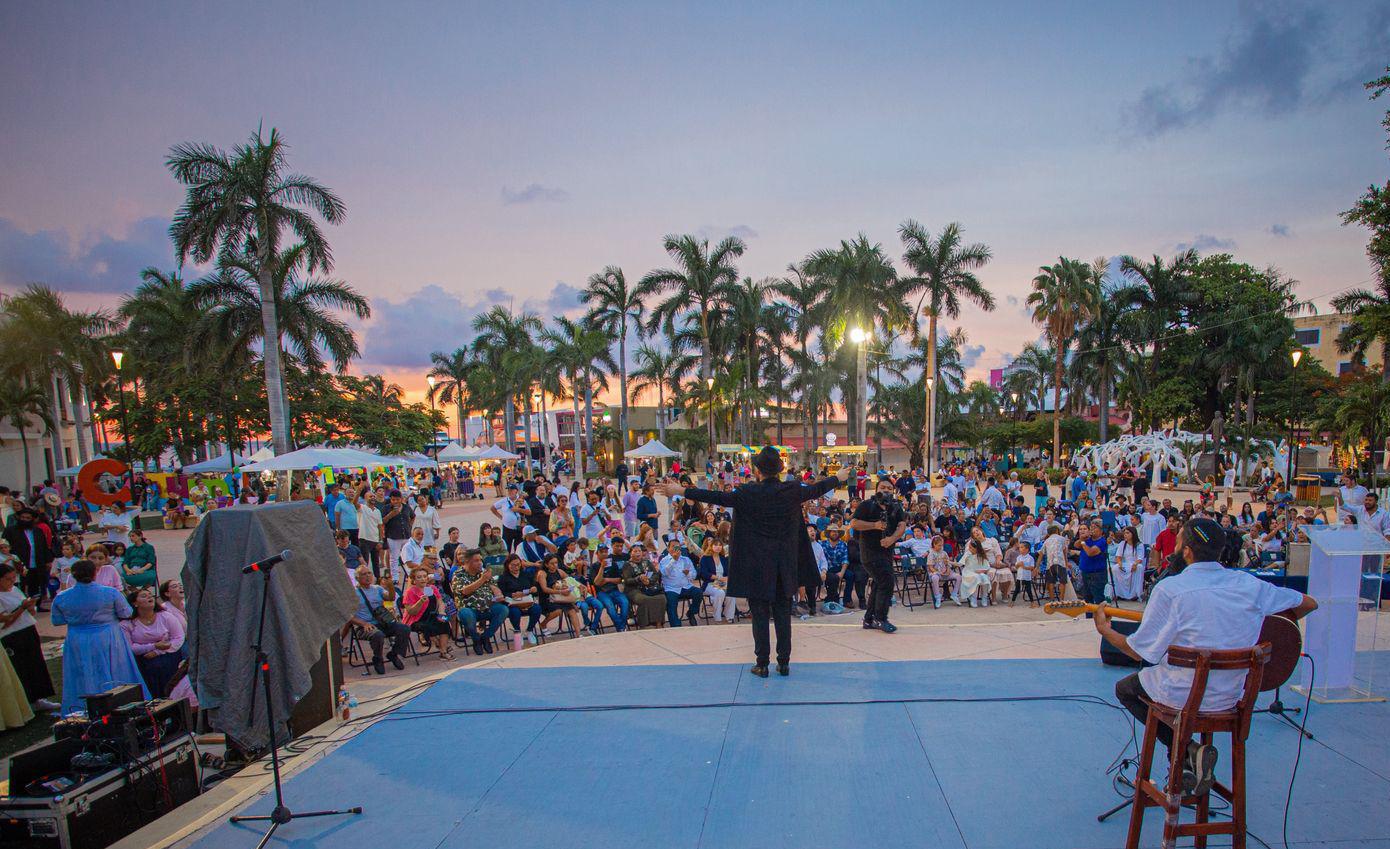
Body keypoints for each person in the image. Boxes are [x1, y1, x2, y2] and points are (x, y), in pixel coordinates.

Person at [1095, 517, 1318, 797]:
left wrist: (1105, 629)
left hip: (1182, 697)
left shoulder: (1170, 590)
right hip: (1232, 696)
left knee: (1125, 689)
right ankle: (1190, 762)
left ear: (1186, 551)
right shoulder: (1249, 585)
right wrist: (1265, 629)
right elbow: (1309, 603)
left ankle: (1186, 751)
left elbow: (1138, 651)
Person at [660, 446, 848, 677]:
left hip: (756, 566)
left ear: (757, 470)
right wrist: (837, 478)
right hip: (784, 566)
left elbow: (715, 497)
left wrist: (680, 490)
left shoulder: (747, 493)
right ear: (779, 470)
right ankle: (784, 662)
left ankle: (762, 663)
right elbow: (816, 489)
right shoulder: (791, 490)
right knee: (782, 614)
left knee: (759, 615)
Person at [51, 558, 149, 714]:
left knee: (82, 671)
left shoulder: (62, 597)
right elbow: (126, 613)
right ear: (95, 573)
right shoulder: (110, 592)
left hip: (78, 637)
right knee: (116, 669)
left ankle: (83, 707)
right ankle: (121, 703)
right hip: (107, 635)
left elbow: (57, 620)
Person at [850, 478, 908, 633]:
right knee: (887, 582)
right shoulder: (867, 505)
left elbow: (902, 525)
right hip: (870, 552)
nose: (886, 490)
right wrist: (874, 525)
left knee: (878, 583)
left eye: (890, 488)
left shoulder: (895, 506)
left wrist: (892, 538)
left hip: (886, 552)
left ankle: (869, 619)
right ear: (876, 490)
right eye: (883, 487)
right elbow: (854, 523)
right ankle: (880, 618)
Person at [0, 561, 58, 711]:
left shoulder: (14, 590)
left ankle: (40, 697)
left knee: (35, 664)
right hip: (10, 635)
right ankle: (27, 700)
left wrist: (30, 606)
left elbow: (28, 610)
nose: (12, 581)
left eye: (13, 578)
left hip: (27, 629)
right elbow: (6, 620)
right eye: (8, 578)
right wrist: (22, 608)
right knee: (21, 667)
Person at [122, 587, 186, 697]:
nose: (149, 597)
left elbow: (179, 638)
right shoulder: (127, 624)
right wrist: (155, 645)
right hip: (143, 660)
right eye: (144, 596)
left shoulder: (166, 616)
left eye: (150, 595)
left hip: (168, 656)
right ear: (135, 603)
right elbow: (131, 648)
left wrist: (157, 652)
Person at [349, 565, 412, 674]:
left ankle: (394, 654)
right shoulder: (353, 593)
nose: (368, 576)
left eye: (369, 573)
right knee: (378, 635)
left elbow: (391, 598)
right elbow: (348, 615)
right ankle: (378, 658)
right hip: (364, 626)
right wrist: (363, 623)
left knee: (404, 628)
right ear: (357, 578)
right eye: (364, 574)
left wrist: (390, 585)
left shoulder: (377, 588)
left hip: (383, 622)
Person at [451, 550, 509, 654]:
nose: (480, 563)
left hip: (487, 607)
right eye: (476, 561)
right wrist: (482, 579)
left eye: (480, 560)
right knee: (466, 613)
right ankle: (476, 639)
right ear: (467, 562)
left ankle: (485, 637)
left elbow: (494, 587)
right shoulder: (458, 574)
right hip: (469, 609)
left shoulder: (483, 573)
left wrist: (498, 594)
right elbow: (465, 591)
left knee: (503, 609)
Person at [401, 567, 454, 661]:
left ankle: (443, 649)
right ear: (414, 580)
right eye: (419, 577)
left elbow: (440, 601)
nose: (423, 579)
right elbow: (411, 611)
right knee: (429, 627)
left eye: (424, 576)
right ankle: (443, 650)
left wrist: (441, 613)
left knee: (445, 621)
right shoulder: (410, 592)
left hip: (432, 615)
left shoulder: (431, 588)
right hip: (417, 619)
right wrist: (420, 602)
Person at [5, 506, 54, 603]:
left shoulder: (37, 531)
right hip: (19, 565)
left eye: (27, 518)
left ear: (32, 519)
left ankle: (37, 605)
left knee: (36, 585)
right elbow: (4, 546)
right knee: (20, 586)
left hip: (37, 563)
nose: (24, 520)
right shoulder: (10, 531)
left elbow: (44, 547)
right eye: (22, 517)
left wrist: (48, 561)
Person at [659, 537, 703, 627]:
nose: (676, 549)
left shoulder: (685, 559)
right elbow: (664, 573)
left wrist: (688, 574)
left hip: (686, 587)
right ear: (668, 548)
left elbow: (694, 575)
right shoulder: (664, 560)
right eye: (673, 547)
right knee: (671, 604)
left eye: (678, 547)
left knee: (698, 592)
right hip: (671, 588)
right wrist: (673, 560)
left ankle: (691, 613)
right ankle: (676, 625)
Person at [498, 553, 542, 644]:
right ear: (508, 565)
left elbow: (534, 589)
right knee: (515, 612)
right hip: (512, 603)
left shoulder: (526, 574)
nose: (516, 567)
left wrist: (532, 590)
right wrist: (512, 594)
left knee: (537, 609)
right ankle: (517, 631)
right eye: (513, 565)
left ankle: (529, 630)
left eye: (518, 564)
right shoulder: (503, 578)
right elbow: (502, 593)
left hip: (526, 601)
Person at [620, 543, 666, 629]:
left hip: (648, 586)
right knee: (644, 599)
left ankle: (658, 623)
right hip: (634, 589)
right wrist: (638, 578)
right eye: (635, 551)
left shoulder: (647, 562)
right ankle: (643, 624)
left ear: (642, 553)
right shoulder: (627, 565)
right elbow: (627, 580)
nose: (638, 553)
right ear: (631, 553)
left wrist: (649, 581)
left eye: (639, 551)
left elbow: (655, 574)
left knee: (661, 598)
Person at [698, 538, 737, 622]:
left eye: (720, 545)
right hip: (709, 584)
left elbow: (728, 572)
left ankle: (729, 617)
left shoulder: (724, 559)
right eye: (715, 545)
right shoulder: (705, 558)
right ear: (711, 546)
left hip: (722, 583)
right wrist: (718, 578)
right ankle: (717, 617)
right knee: (720, 593)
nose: (718, 547)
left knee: (731, 593)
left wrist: (727, 578)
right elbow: (703, 573)